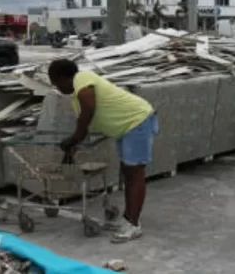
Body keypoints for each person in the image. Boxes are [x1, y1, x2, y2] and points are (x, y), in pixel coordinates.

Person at [48, 58, 158, 243]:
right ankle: (127, 218)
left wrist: (75, 138)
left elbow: (89, 108)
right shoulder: (76, 95)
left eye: (56, 83)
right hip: (125, 128)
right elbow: (85, 121)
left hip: (136, 120)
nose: (58, 89)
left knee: (135, 173)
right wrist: (73, 146)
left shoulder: (82, 78)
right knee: (128, 172)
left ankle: (134, 224)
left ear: (62, 77)